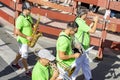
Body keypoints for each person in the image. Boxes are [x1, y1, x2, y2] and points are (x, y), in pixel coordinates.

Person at [74, 8, 98, 80]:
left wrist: (93, 23)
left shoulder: (79, 21)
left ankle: (88, 78)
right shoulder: (80, 22)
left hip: (84, 46)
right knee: (76, 64)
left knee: (85, 63)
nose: (87, 15)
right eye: (86, 14)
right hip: (80, 46)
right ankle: (69, 77)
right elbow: (92, 31)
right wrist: (96, 22)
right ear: (83, 14)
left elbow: (86, 29)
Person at [11, 1, 33, 76]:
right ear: (24, 10)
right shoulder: (20, 19)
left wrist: (34, 29)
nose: (30, 11)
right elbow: (17, 31)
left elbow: (31, 25)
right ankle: (27, 71)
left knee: (21, 52)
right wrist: (27, 37)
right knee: (24, 56)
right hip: (23, 41)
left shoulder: (28, 17)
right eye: (29, 9)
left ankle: (14, 63)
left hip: (27, 40)